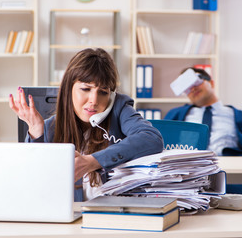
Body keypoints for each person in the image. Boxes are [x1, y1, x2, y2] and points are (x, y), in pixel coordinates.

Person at [9, 48, 164, 201]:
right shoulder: (50, 127)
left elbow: (151, 138)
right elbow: (33, 182)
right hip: (71, 216)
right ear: (68, 89)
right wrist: (36, 131)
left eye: (103, 92)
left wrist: (93, 161)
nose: (94, 100)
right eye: (85, 89)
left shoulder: (120, 109)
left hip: (115, 213)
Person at [165, 67, 242, 157]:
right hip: (186, 169)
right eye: (187, 88)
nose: (193, 89)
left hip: (228, 167)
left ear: (211, 83)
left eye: (197, 82)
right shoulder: (174, 116)